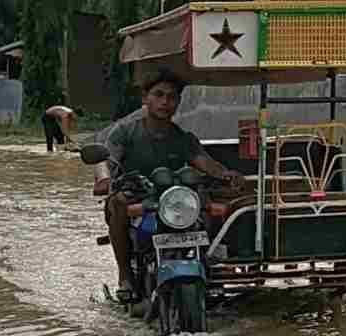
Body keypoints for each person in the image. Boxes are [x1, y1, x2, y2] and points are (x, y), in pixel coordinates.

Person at [103, 69, 245, 302]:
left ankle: (208, 263)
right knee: (117, 203)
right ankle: (125, 275)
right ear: (145, 99)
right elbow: (107, 159)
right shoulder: (125, 131)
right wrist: (103, 178)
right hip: (136, 195)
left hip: (175, 197)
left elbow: (204, 162)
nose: (165, 102)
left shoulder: (182, 137)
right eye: (158, 95)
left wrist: (227, 175)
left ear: (177, 103)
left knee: (210, 206)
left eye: (171, 97)